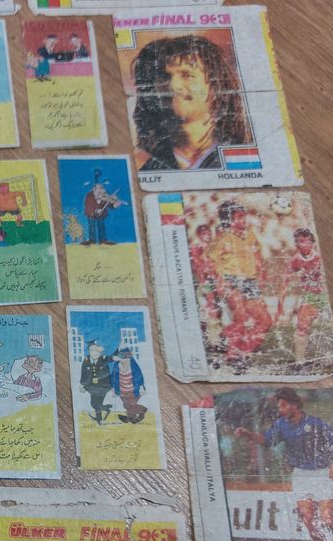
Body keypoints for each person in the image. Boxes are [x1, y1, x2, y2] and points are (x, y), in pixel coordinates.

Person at [234, 387, 333, 541]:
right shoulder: (280, 425)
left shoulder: (315, 423)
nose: (280, 409)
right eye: (279, 406)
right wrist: (248, 434)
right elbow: (267, 441)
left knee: (327, 519)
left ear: (294, 404)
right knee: (309, 522)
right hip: (300, 476)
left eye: (283, 405)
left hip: (320, 474)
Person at [131, 34, 248, 170]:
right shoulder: (141, 165)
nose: (173, 85)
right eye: (165, 76)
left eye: (187, 75)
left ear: (216, 87)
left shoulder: (243, 156)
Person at [204, 200, 272, 365]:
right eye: (240, 217)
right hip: (230, 280)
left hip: (249, 282)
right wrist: (220, 283)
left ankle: (239, 347)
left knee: (265, 321)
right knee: (240, 319)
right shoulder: (222, 239)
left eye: (244, 216)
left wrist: (261, 273)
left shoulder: (250, 236)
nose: (244, 220)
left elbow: (257, 257)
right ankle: (233, 355)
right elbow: (208, 260)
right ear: (229, 220)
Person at [281, 228, 327, 365]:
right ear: (296, 244)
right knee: (302, 327)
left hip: (324, 295)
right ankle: (300, 362)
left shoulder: (319, 257)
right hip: (313, 296)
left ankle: (303, 361)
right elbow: (285, 278)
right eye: (300, 241)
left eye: (307, 241)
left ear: (313, 243)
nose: (304, 244)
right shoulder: (296, 259)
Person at [82, 170, 123, 246]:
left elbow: (108, 205)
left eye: (102, 189)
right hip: (91, 213)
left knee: (101, 226)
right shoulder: (89, 196)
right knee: (91, 227)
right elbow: (88, 206)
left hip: (101, 214)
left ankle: (103, 240)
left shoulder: (104, 196)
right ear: (94, 189)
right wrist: (95, 211)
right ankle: (92, 240)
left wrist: (114, 205)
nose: (101, 192)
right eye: (99, 190)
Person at [110, 348, 147, 424]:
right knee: (127, 404)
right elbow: (113, 376)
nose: (122, 361)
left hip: (133, 390)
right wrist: (113, 387)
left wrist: (141, 385)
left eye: (124, 359)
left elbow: (138, 375)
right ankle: (140, 412)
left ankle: (132, 417)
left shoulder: (133, 366)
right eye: (120, 359)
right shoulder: (117, 365)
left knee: (129, 404)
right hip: (122, 390)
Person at [80, 340, 112, 425]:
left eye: (97, 350)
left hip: (103, 386)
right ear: (89, 351)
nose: (95, 353)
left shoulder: (103, 359)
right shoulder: (86, 360)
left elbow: (107, 372)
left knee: (96, 404)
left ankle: (100, 417)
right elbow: (84, 373)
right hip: (92, 387)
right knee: (94, 404)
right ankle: (105, 410)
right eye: (92, 350)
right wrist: (82, 384)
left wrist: (97, 377)